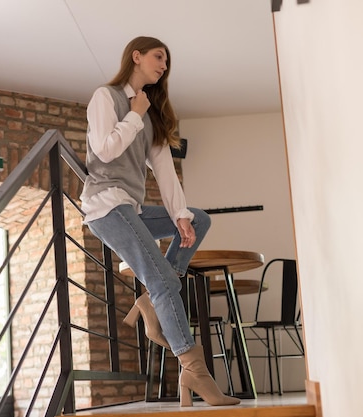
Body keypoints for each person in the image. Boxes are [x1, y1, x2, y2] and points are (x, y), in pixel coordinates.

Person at [80, 36, 239, 407]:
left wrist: (180, 217)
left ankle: (153, 297)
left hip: (130, 209)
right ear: (136, 56)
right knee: (164, 277)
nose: (164, 65)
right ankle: (194, 369)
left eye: (166, 61)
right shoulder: (107, 97)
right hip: (105, 206)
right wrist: (134, 113)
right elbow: (104, 149)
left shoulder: (150, 114)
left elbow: (166, 173)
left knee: (198, 219)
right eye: (158, 56)